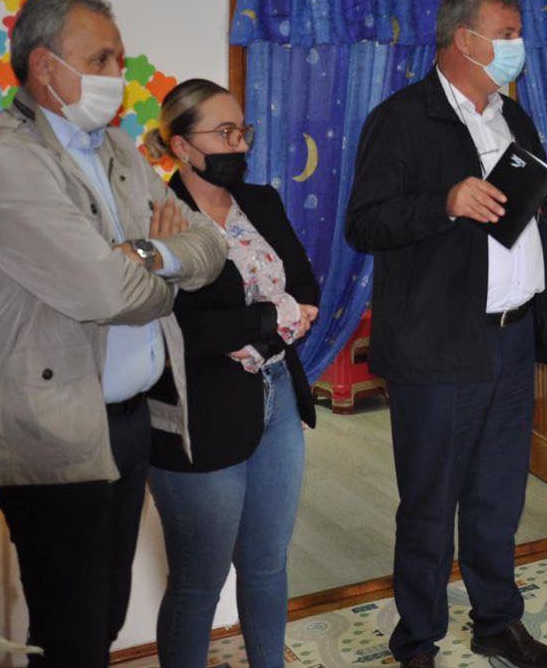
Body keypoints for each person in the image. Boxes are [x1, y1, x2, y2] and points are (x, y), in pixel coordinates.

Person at [0, 0, 226, 666]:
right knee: (70, 633)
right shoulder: (2, 161)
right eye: (100, 59)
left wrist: (149, 254)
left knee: (103, 618)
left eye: (118, 59)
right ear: (45, 67)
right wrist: (163, 271)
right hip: (56, 430)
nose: (117, 75)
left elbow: (210, 245)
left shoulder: (117, 148)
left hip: (129, 422)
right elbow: (105, 292)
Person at [345, 0, 547, 668]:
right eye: (507, 33)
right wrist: (444, 202)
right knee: (430, 504)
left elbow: (519, 223)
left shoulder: (513, 118)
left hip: (512, 338)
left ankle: (498, 622)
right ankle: (417, 640)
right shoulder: (402, 119)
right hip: (439, 344)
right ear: (463, 39)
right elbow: (365, 224)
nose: (518, 46)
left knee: (498, 496)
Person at [142, 80, 321, 668]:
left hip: (277, 396)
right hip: (200, 413)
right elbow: (176, 329)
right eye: (224, 133)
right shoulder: (158, 219)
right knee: (199, 580)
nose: (239, 144)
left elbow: (306, 288)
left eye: (242, 131)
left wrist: (264, 323)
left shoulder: (261, 202)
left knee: (267, 564)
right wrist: (269, 317)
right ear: (180, 146)